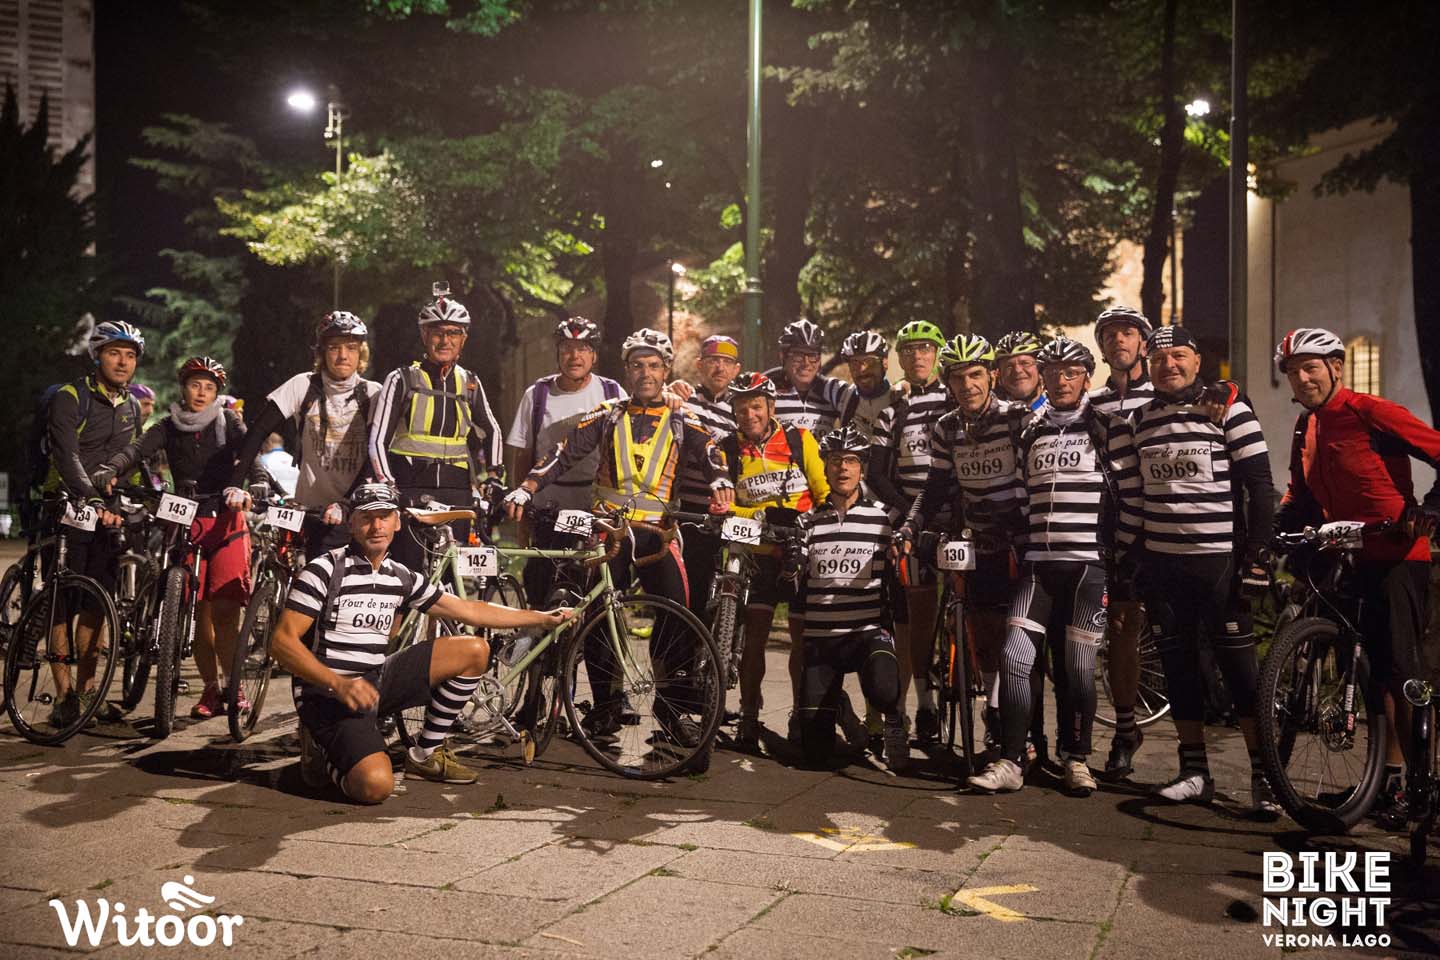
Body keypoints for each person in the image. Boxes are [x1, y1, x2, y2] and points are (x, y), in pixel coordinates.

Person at [270, 482, 572, 803]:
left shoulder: (400, 576)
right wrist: (339, 684)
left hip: (373, 683)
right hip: (327, 694)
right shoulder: (324, 570)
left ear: (397, 523)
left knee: (474, 650)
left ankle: (424, 755)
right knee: (375, 786)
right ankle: (320, 752)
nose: (376, 526)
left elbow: (470, 610)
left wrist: (540, 618)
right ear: (352, 523)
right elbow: (282, 644)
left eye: (385, 517)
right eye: (367, 518)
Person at [504, 329, 735, 741]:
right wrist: (527, 487)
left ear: (666, 370)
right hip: (609, 531)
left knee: (677, 615)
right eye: (637, 366)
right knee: (599, 616)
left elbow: (710, 452)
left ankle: (670, 710)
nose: (646, 373)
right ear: (627, 371)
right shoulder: (608, 413)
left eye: (653, 366)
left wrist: (720, 480)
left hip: (659, 535)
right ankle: (606, 708)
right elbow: (562, 454)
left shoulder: (682, 416)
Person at [1272, 327, 1440, 826]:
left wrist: (1432, 508)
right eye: (1293, 372)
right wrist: (1274, 531)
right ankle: (1386, 781)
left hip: (1396, 555)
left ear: (1336, 368)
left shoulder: (1371, 412)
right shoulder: (1306, 426)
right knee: (1367, 671)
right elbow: (1299, 492)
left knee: (1401, 671)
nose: (1302, 379)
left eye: (1311, 367)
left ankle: (1423, 785)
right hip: (1346, 556)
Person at [965, 338, 1140, 796]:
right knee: (1014, 657)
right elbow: (1024, 494)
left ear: (1086, 377)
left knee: (1077, 668)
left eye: (1071, 372)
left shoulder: (1109, 428)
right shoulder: (1031, 430)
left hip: (1087, 569)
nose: (1062, 380)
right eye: (1054, 372)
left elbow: (1132, 500)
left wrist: (1117, 559)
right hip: (1038, 567)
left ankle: (1076, 758)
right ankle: (1011, 759)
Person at [1129, 324, 1278, 816]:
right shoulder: (1140, 420)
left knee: (1241, 675)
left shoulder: (1228, 409)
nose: (1168, 365)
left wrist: (1258, 554)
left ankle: (1265, 777)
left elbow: (1260, 487)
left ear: (1197, 361)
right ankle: (1194, 771)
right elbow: (1136, 494)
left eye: (1178, 356)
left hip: (1219, 563)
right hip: (1162, 565)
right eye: (1158, 359)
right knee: (1180, 670)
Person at [98, 357, 265, 720]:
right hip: (187, 519)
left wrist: (258, 484)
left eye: (209, 387)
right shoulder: (168, 425)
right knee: (197, 612)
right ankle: (210, 688)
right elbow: (136, 450)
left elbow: (250, 455)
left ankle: (233, 686)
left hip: (226, 520)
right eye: (194, 385)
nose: (201, 393)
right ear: (183, 389)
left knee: (225, 612)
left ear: (217, 393)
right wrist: (112, 468)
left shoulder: (229, 421)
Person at [899, 334, 1031, 761]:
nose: (967, 385)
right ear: (948, 382)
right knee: (984, 629)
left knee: (1020, 635)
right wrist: (911, 526)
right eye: (958, 378)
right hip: (976, 539)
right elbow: (934, 486)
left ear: (991, 375)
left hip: (1018, 539)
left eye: (975, 374)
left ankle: (1032, 735)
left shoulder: (1017, 418)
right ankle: (994, 706)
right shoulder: (946, 426)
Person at [42, 320, 146, 728]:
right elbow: (66, 455)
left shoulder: (132, 406)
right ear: (97, 356)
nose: (122, 362)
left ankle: (87, 693)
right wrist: (91, 495)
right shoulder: (71, 397)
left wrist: (134, 494)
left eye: (130, 355)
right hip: (65, 505)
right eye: (114, 353)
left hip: (105, 513)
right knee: (61, 602)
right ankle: (63, 696)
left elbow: (130, 460)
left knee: (97, 604)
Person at [720, 371, 830, 750]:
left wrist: (808, 523)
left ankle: (800, 712)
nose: (748, 415)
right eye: (741, 408)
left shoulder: (799, 439)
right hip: (759, 555)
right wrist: (758, 515)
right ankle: (749, 715)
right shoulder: (728, 449)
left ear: (770, 407)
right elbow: (724, 506)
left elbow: (823, 492)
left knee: (802, 640)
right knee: (755, 640)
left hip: (800, 551)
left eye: (755, 407)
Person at [790, 425, 908, 770]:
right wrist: (791, 562)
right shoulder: (807, 522)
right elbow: (794, 567)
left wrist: (906, 546)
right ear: (825, 468)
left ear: (862, 469)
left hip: (866, 634)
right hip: (821, 640)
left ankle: (894, 719)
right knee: (815, 756)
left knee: (884, 691)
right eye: (835, 460)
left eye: (851, 461)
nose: (843, 467)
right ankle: (838, 705)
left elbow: (911, 541)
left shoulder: (886, 517)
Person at [370, 289, 504, 572]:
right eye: (437, 333)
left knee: (453, 575)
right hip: (409, 488)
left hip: (456, 490)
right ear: (424, 335)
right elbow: (378, 440)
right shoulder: (402, 379)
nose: (445, 340)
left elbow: (492, 429)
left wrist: (494, 476)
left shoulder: (470, 382)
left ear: (463, 338)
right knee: (408, 571)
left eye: (453, 333)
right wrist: (389, 485)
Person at [232, 311, 382, 557]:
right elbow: (258, 431)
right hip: (314, 511)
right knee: (314, 575)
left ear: (361, 353)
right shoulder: (303, 385)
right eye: (334, 347)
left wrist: (347, 504)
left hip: (359, 511)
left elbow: (379, 453)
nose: (343, 355)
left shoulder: (374, 393)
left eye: (351, 348)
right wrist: (235, 484)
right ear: (321, 352)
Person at [867, 319, 953, 743]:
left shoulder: (955, 399)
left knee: (968, 610)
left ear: (937, 354)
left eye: (925, 349)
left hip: (956, 520)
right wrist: (910, 515)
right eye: (909, 350)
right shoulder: (893, 411)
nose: (917, 356)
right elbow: (877, 474)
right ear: (899, 358)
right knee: (918, 617)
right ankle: (925, 704)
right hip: (913, 526)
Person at [505, 316, 626, 606]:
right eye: (567, 348)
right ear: (558, 353)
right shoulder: (537, 395)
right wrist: (523, 516)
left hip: (594, 507)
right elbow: (523, 455)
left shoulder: (612, 393)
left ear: (594, 355)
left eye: (583, 348)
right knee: (543, 588)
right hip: (548, 507)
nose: (575, 356)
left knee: (595, 591)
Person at [1086, 305, 1156, 779]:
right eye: (1109, 334)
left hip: (1168, 527)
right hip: (1117, 529)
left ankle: (1196, 755)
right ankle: (1125, 731)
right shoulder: (1093, 402)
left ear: (1143, 344)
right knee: (1122, 630)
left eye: (1127, 332)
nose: (1118, 340)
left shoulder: (1163, 391)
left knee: (1180, 637)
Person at [676, 335, 740, 628]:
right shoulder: (684, 400)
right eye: (713, 361)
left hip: (728, 510)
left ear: (736, 369)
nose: (720, 368)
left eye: (727, 362)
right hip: (688, 510)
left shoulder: (741, 408)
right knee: (687, 590)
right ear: (700, 365)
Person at [769, 319, 859, 437]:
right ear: (783, 356)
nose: (806, 363)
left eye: (812, 355)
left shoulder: (834, 391)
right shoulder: (768, 392)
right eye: (798, 355)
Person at [839, 330, 902, 442]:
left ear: (885, 363)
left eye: (869, 361)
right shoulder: (845, 396)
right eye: (854, 363)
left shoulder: (899, 398)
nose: (862, 369)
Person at [994, 331, 1048, 412]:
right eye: (1009, 366)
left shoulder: (1059, 411)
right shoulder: (994, 415)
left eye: (1025, 363)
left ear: (1040, 368)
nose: (1017, 370)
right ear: (999, 375)